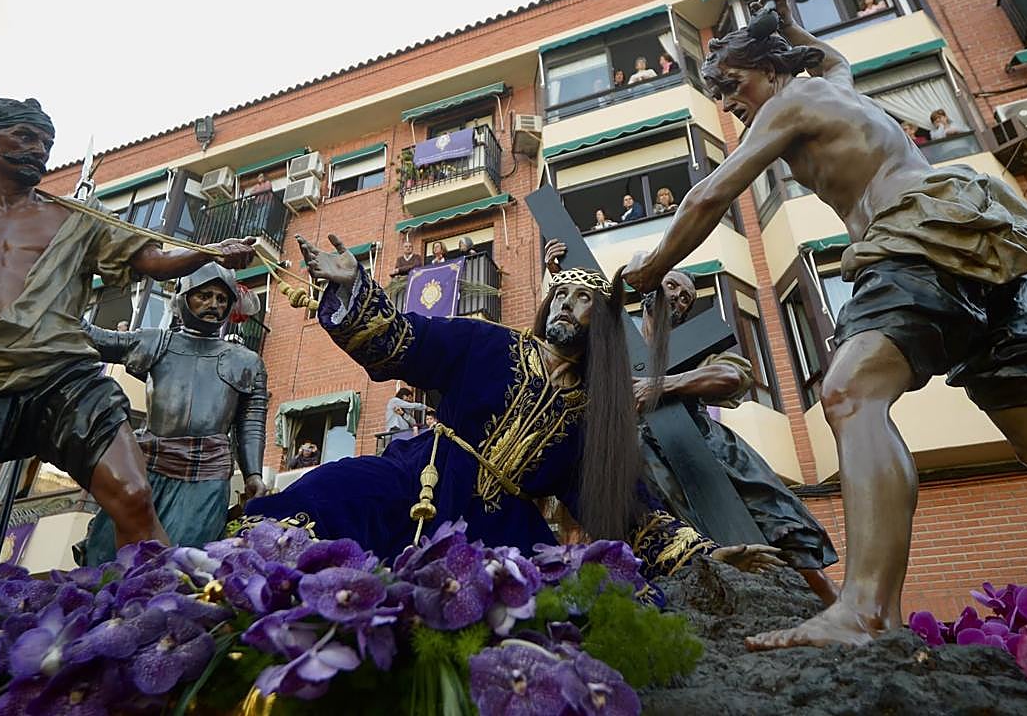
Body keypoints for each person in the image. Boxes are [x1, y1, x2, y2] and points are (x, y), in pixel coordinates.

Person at [622, 0, 1027, 649]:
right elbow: (833, 56)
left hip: (916, 237)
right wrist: (790, 26)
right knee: (1023, 414)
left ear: (767, 72)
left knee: (848, 393)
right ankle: (869, 613)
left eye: (732, 88)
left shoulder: (792, 102)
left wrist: (646, 270)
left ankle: (864, 610)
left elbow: (710, 195)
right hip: (988, 242)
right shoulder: (835, 86)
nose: (730, 105)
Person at [0, 96, 256, 611]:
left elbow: (151, 259)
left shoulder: (75, 217)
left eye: (46, 144)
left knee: (132, 495)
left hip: (64, 377)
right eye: (26, 138)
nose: (39, 151)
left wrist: (208, 252)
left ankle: (161, 620)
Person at [246, 234, 782, 582]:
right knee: (331, 492)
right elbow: (401, 341)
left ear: (601, 326)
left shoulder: (593, 418)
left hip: (506, 525)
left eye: (583, 301)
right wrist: (353, 286)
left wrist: (703, 554)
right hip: (426, 478)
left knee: (561, 604)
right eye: (562, 296)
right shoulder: (489, 343)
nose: (568, 305)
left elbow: (624, 509)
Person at [635, 265, 839, 604]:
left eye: (685, 296)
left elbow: (732, 375)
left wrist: (660, 385)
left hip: (709, 446)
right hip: (648, 459)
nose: (676, 297)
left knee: (779, 520)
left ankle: (843, 611)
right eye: (670, 285)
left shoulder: (696, 344)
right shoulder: (616, 344)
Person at [81, 263, 267, 564]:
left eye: (222, 299)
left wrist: (253, 473)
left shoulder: (247, 361)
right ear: (184, 297)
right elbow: (91, 338)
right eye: (204, 295)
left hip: (207, 475)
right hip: (149, 464)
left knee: (186, 565)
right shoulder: (156, 342)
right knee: (110, 559)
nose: (214, 305)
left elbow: (251, 422)